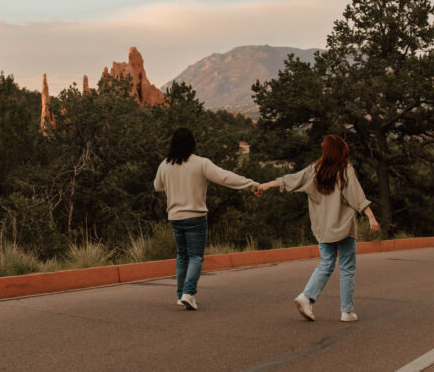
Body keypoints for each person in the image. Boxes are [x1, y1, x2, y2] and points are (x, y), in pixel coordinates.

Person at [254, 134, 379, 322]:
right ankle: (346, 311)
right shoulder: (345, 169)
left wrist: (265, 186)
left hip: (323, 229)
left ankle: (306, 297)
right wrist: (371, 217)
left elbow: (290, 180)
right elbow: (357, 196)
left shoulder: (314, 170)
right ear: (341, 150)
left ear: (326, 151)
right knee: (346, 268)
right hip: (344, 229)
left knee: (326, 263)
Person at [153, 127, 258, 311]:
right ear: (192, 144)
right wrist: (250, 184)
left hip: (175, 217)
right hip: (195, 216)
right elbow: (225, 177)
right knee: (196, 256)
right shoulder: (201, 163)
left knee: (182, 256)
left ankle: (180, 295)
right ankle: (188, 293)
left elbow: (157, 186)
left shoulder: (165, 165)